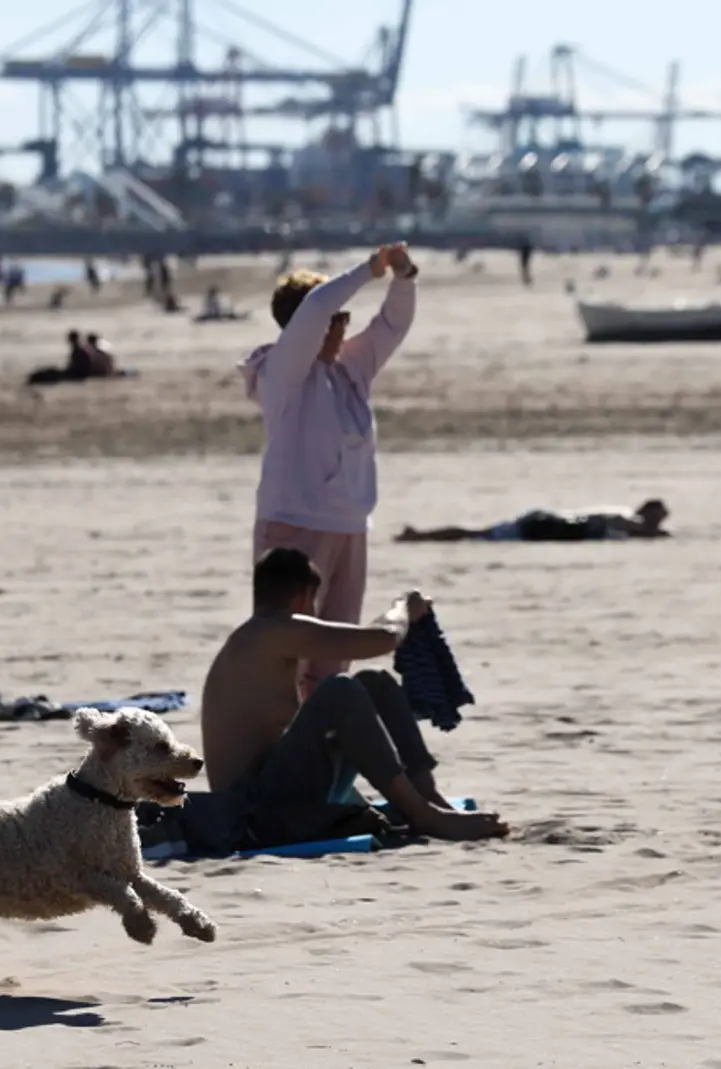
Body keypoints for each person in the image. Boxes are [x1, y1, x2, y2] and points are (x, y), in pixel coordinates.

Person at [199, 548, 507, 841]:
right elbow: (384, 638)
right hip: (248, 813)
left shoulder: (253, 640)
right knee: (339, 689)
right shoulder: (270, 631)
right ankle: (422, 813)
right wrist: (404, 606)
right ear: (303, 597)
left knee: (375, 683)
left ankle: (427, 796)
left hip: (267, 795)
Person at [240, 241, 418, 697]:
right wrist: (369, 268)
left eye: (345, 319)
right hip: (294, 526)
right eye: (338, 319)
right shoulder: (281, 371)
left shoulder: (349, 369)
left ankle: (324, 752)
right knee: (285, 655)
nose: (342, 327)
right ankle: (276, 752)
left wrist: (403, 277)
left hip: (349, 526)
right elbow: (318, 305)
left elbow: (392, 325)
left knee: (333, 659)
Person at [399, 499, 670, 543]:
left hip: (544, 522)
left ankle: (420, 535)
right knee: (476, 536)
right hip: (545, 525)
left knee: (477, 534)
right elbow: (640, 531)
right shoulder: (626, 517)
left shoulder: (617, 514)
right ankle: (419, 536)